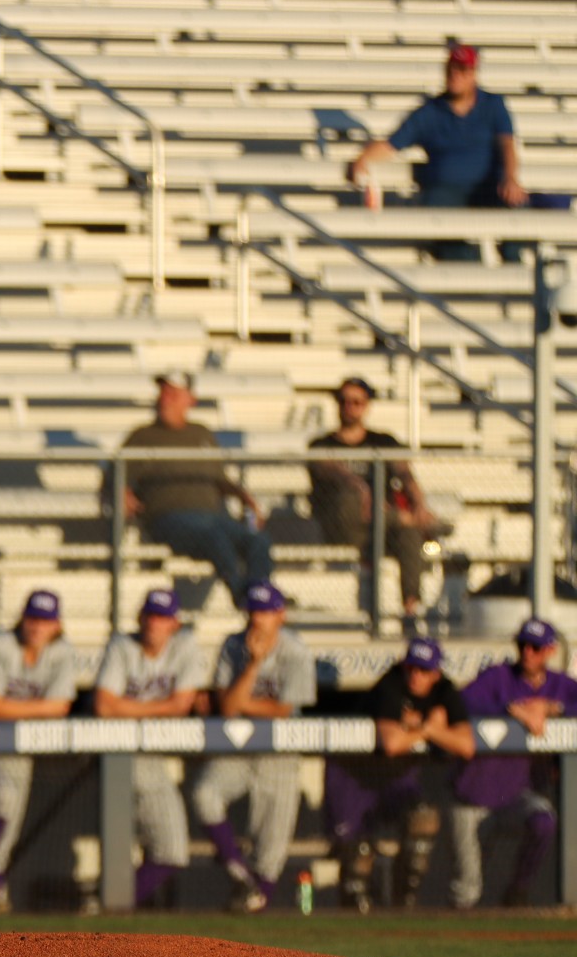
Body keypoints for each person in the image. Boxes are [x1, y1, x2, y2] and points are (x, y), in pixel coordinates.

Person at [191, 581, 316, 913]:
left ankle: (257, 920)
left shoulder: (296, 651)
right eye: (253, 611)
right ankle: (238, 874)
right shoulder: (233, 645)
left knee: (271, 848)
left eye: (265, 612)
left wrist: (243, 700)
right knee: (205, 795)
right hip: (238, 748)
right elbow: (229, 708)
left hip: (280, 752)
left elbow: (284, 711)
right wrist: (253, 665)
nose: (257, 619)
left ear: (280, 615)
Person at [325, 637, 472, 912]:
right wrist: (430, 729)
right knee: (358, 860)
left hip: (396, 782)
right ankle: (348, 938)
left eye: (424, 670)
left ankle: (403, 905)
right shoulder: (391, 683)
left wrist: (426, 729)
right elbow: (392, 744)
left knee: (424, 818)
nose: (416, 676)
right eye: (412, 668)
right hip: (354, 778)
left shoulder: (444, 691)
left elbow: (466, 745)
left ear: (436, 672)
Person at [346, 42, 527, 262]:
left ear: (473, 74)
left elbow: (507, 144)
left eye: (461, 70)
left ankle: (520, 277)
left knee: (517, 213)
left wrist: (510, 178)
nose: (454, 75)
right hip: (445, 191)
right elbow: (392, 144)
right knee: (443, 226)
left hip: (487, 188)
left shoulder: (493, 104)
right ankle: (466, 281)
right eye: (450, 69)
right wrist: (363, 158)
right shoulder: (429, 111)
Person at [0, 590, 80, 915]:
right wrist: (34, 708)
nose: (37, 627)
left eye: (45, 621)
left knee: (11, 819)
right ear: (22, 619)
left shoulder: (61, 651)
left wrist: (7, 707)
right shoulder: (0, 644)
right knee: (1, 797)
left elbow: (61, 707)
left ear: (56, 625)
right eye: (32, 619)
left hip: (20, 747)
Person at [92, 589, 209, 908]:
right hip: (118, 753)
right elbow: (103, 705)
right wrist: (162, 706)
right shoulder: (122, 645)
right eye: (150, 616)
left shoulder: (185, 645)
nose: (154, 624)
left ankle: (109, 903)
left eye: (162, 618)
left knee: (170, 850)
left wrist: (127, 707)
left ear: (174, 623)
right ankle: (111, 903)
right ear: (140, 617)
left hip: (152, 758)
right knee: (156, 848)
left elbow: (182, 705)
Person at [121, 371, 272, 611]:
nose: (165, 399)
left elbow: (219, 479)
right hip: (169, 518)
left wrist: (244, 496)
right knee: (215, 538)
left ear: (190, 399)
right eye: (163, 393)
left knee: (258, 541)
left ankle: (261, 595)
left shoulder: (202, 434)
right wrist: (122, 492)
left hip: (212, 516)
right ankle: (245, 599)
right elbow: (117, 475)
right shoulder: (142, 436)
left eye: (173, 394)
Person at [452, 618, 575, 909]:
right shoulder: (499, 677)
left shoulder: (558, 685)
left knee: (544, 822)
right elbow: (461, 702)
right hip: (472, 796)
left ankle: (518, 891)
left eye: (534, 647)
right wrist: (511, 710)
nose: (527, 653)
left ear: (550, 650)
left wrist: (551, 707)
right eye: (522, 645)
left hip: (514, 795)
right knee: (466, 891)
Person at [308, 377, 443, 629]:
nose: (350, 407)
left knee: (410, 536)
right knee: (349, 499)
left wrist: (418, 502)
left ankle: (411, 609)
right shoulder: (321, 445)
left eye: (357, 402)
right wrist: (359, 487)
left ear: (366, 405)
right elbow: (327, 468)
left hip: (381, 528)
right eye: (345, 401)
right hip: (344, 527)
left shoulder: (384, 442)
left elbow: (405, 474)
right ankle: (407, 519)